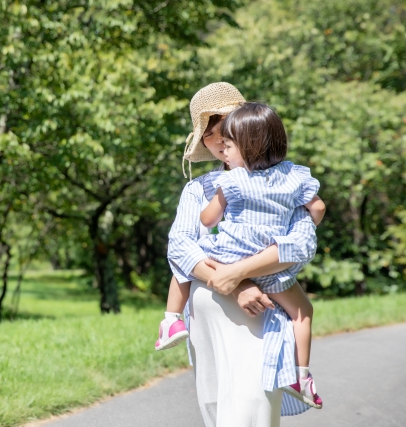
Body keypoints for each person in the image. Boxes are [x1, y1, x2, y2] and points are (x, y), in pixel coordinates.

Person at [158, 82, 319, 426]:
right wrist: (234, 282)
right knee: (216, 406)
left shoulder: (287, 184)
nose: (218, 141)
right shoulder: (199, 189)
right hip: (210, 304)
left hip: (262, 306)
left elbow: (302, 243)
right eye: (209, 135)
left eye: (225, 128)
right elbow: (181, 246)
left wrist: (243, 270)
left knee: (252, 407)